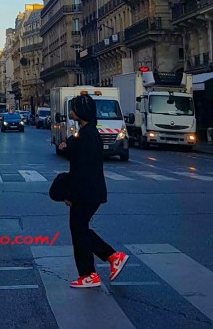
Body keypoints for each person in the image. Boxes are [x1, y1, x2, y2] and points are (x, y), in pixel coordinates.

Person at [58, 93, 128, 289]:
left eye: (73, 109)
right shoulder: (87, 132)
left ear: (80, 112)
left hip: (86, 192)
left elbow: (82, 169)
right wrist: (67, 147)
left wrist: (71, 195)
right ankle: (104, 263)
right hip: (90, 190)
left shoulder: (87, 135)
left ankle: (94, 270)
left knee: (78, 231)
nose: (71, 112)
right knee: (80, 229)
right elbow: (75, 149)